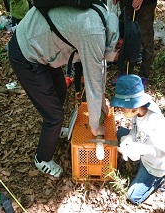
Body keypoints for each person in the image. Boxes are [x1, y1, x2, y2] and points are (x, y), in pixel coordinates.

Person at [8, 5, 119, 178]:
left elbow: (99, 64)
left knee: (60, 90)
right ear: (118, 43)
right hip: (26, 52)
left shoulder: (106, 23)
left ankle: (56, 130)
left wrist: (103, 97)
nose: (117, 59)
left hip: (42, 46)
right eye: (119, 56)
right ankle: (42, 158)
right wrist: (95, 126)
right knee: (54, 116)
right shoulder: (94, 34)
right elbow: (93, 80)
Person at [111, 74, 165, 205]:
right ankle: (138, 164)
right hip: (142, 147)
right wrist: (128, 139)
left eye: (122, 107)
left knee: (133, 196)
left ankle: (159, 180)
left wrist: (141, 149)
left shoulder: (155, 119)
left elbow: (164, 150)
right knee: (121, 132)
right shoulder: (138, 111)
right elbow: (135, 130)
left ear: (134, 104)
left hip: (154, 165)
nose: (121, 110)